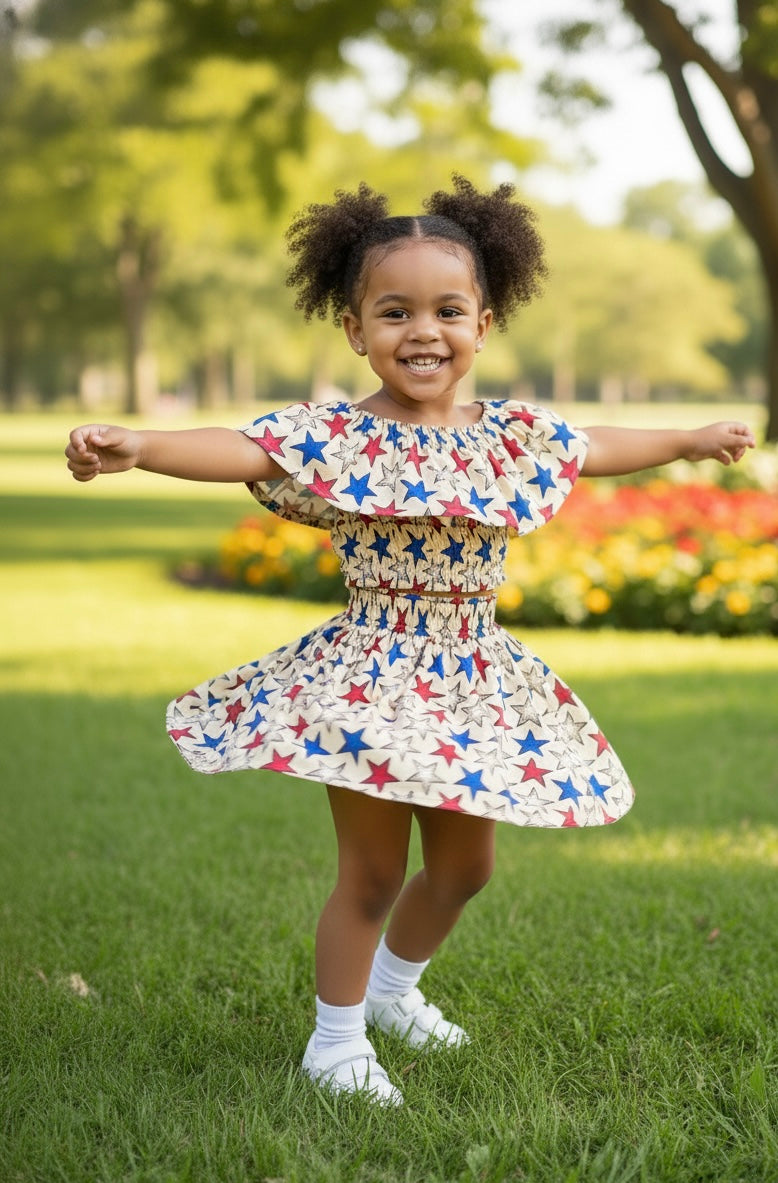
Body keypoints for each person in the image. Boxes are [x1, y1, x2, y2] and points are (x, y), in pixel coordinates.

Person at [66, 176, 754, 1107]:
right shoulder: (340, 435)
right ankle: (335, 1039)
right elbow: (242, 446)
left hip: (475, 672)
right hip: (373, 674)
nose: (422, 330)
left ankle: (392, 994)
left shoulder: (509, 436)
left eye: (447, 310)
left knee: (468, 867)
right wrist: (140, 445)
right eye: (394, 311)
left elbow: (592, 442)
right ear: (354, 328)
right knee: (374, 870)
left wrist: (687, 438)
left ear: (486, 320)